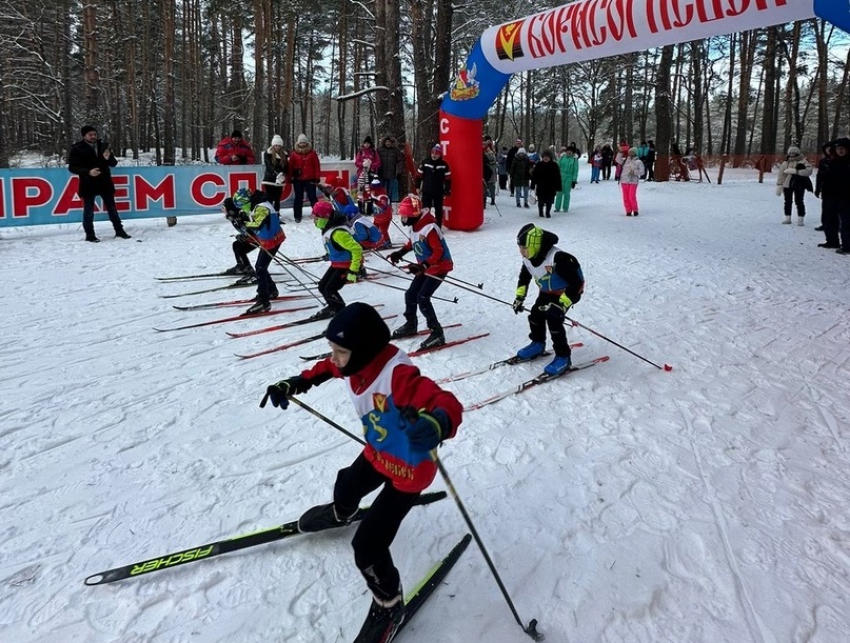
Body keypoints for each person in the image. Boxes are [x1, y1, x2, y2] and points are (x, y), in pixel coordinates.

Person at [261, 301, 462, 641]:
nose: (335, 357)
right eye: (334, 350)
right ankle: (341, 513)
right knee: (346, 486)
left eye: (340, 351)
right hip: (377, 453)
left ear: (364, 350)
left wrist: (438, 421)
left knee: (368, 545)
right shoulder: (354, 362)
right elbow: (326, 369)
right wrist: (294, 383)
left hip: (409, 472)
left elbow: (445, 402)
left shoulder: (396, 374)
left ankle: (389, 604)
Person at [512, 224, 585, 376]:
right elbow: (524, 278)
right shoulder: (528, 259)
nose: (521, 252)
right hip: (547, 292)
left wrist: (562, 305)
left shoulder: (558, 259)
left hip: (567, 292)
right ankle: (538, 344)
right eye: (520, 248)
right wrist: (519, 297)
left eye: (524, 248)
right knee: (535, 314)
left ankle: (563, 357)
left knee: (553, 318)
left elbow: (576, 283)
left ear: (534, 245)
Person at [388, 195, 454, 350]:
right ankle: (411, 324)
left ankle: (437, 332)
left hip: (439, 267)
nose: (403, 220)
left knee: (422, 297)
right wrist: (400, 253)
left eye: (405, 217)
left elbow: (438, 251)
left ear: (414, 215)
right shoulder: (416, 225)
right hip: (426, 267)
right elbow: (413, 242)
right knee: (410, 294)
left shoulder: (429, 227)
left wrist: (423, 265)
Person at [67, 125, 131, 242]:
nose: (93, 137)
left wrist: (108, 158)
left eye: (95, 134)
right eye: (90, 134)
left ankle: (119, 231)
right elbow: (72, 167)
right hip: (88, 183)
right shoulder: (77, 148)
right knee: (89, 211)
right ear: (84, 136)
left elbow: (113, 163)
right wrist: (88, 172)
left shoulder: (104, 146)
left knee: (112, 209)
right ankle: (90, 235)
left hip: (105, 182)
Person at [309, 200, 363, 320]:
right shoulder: (330, 227)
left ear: (325, 218)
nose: (314, 220)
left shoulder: (338, 233)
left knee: (330, 289)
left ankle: (341, 313)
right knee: (322, 286)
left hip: (347, 265)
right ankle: (333, 306)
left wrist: (353, 270)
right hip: (338, 263)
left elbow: (357, 249)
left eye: (316, 218)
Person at [241, 190, 286, 314]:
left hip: (272, 240)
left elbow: (258, 224)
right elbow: (262, 226)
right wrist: (248, 236)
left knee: (260, 267)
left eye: (241, 205)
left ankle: (263, 301)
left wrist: (244, 224)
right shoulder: (259, 204)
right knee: (261, 267)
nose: (241, 209)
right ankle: (270, 290)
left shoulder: (261, 207)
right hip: (271, 238)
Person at [222, 188, 258, 278]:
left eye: (224, 209)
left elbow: (252, 230)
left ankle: (249, 271)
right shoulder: (236, 217)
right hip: (252, 237)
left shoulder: (244, 215)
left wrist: (243, 236)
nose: (223, 212)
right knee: (236, 245)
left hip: (258, 238)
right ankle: (241, 266)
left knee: (240, 250)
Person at [776, 145, 814, 226]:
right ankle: (787, 217)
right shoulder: (785, 163)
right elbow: (781, 174)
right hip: (787, 184)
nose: (792, 154)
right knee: (787, 201)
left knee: (799, 201)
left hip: (799, 184)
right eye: (790, 153)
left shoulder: (803, 161)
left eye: (794, 152)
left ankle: (801, 218)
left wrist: (795, 171)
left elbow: (809, 171)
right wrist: (779, 184)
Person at [288, 134, 321, 223]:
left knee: (312, 197)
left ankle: (317, 214)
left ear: (306, 143)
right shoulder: (294, 154)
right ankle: (297, 215)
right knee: (298, 198)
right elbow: (290, 166)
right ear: (298, 143)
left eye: (304, 142)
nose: (302, 144)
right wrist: (290, 177)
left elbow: (316, 165)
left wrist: (317, 177)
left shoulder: (312, 153)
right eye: (301, 142)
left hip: (310, 178)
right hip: (298, 179)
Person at [415, 145, 451, 227]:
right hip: (427, 190)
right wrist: (417, 186)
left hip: (438, 191)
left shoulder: (444, 165)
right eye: (432, 153)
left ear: (440, 154)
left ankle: (438, 226)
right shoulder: (425, 163)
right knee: (426, 209)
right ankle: (425, 225)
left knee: (438, 209)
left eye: (436, 154)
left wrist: (447, 189)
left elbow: (448, 179)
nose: (434, 155)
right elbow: (418, 176)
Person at [826, 137, 850, 255]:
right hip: (833, 196)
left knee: (846, 222)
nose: (840, 151)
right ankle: (833, 241)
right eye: (838, 149)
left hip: (846, 197)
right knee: (831, 220)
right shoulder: (833, 162)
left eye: (843, 149)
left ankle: (847, 245)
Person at [815, 142, 839, 248]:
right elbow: (820, 175)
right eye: (827, 149)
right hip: (827, 191)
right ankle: (830, 238)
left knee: (838, 214)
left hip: (840, 193)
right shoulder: (824, 161)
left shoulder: (840, 162)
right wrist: (818, 188)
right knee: (827, 213)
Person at [531, 149, 562, 218]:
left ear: (550, 157)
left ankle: (547, 212)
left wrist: (558, 186)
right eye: (544, 157)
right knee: (541, 201)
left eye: (547, 157)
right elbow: (535, 175)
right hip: (541, 186)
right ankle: (541, 212)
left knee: (549, 201)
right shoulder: (539, 164)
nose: (546, 158)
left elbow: (558, 176)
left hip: (551, 187)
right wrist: (533, 184)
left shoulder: (554, 165)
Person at [262, 135, 288, 212]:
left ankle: (277, 214)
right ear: (273, 145)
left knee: (277, 198)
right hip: (269, 179)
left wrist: (283, 173)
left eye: (279, 145)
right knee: (269, 197)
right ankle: (270, 214)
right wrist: (277, 173)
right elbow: (268, 165)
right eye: (276, 145)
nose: (277, 147)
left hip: (280, 180)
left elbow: (286, 166)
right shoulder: (267, 153)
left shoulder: (284, 154)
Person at [620, 148, 645, 216]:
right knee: (625, 197)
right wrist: (620, 151)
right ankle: (628, 210)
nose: (631, 153)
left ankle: (635, 209)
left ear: (636, 153)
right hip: (624, 180)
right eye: (630, 152)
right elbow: (617, 160)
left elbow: (642, 172)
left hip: (633, 181)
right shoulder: (625, 160)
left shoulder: (638, 162)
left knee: (631, 196)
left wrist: (635, 172)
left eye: (633, 152)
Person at [377, 136, 402, 202]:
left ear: (391, 142)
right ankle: (380, 203)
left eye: (389, 142)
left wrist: (399, 170)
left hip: (391, 173)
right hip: (381, 173)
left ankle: (389, 204)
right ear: (384, 142)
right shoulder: (379, 149)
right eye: (386, 142)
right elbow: (376, 159)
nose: (388, 143)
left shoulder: (396, 150)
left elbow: (400, 161)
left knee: (390, 191)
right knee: (380, 190)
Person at [554, 147, 578, 213]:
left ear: (573, 152)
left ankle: (565, 207)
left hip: (569, 177)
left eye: (570, 151)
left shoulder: (574, 160)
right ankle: (557, 207)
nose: (569, 152)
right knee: (559, 193)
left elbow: (575, 171)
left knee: (567, 193)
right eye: (568, 151)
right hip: (561, 176)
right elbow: (557, 167)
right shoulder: (562, 158)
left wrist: (574, 180)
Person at [483, 139, 497, 207]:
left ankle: (492, 199)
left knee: (491, 186)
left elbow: (492, 160)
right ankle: (487, 200)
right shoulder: (488, 152)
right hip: (488, 171)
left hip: (491, 171)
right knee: (487, 187)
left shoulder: (490, 153)